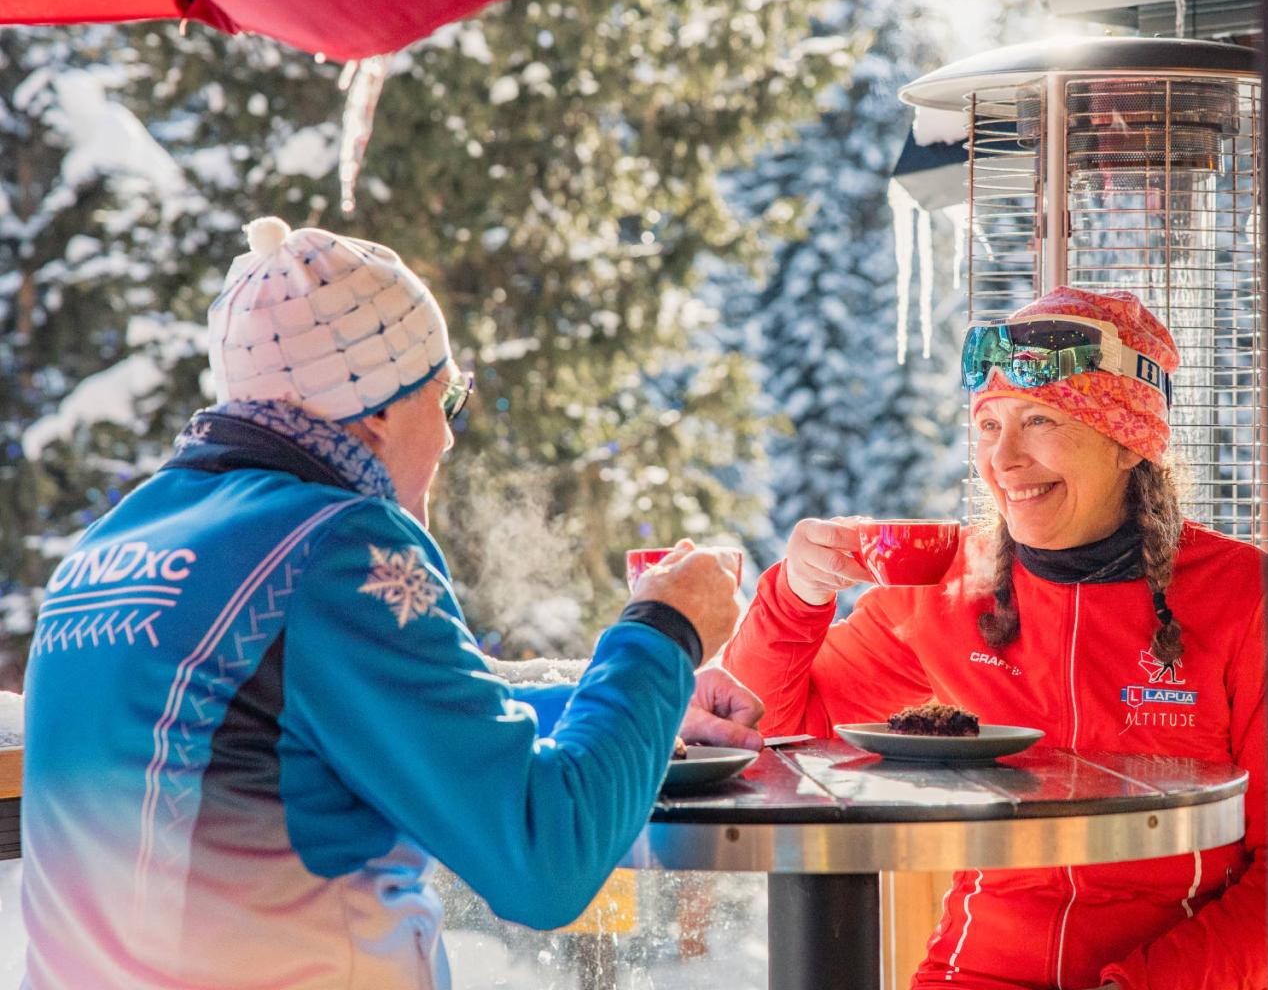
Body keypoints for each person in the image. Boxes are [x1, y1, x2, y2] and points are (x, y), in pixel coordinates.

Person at [20, 217, 763, 990]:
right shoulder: (338, 548)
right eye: (446, 397)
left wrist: (624, 711)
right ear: (376, 410)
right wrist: (664, 632)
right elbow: (545, 858)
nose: (446, 439)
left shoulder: (108, 549)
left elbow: (334, 727)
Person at [722, 286, 1268, 990]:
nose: (1002, 461)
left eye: (1039, 419)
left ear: (1129, 442)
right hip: (974, 973)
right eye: (988, 427)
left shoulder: (1243, 597)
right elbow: (770, 733)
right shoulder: (948, 585)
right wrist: (797, 596)